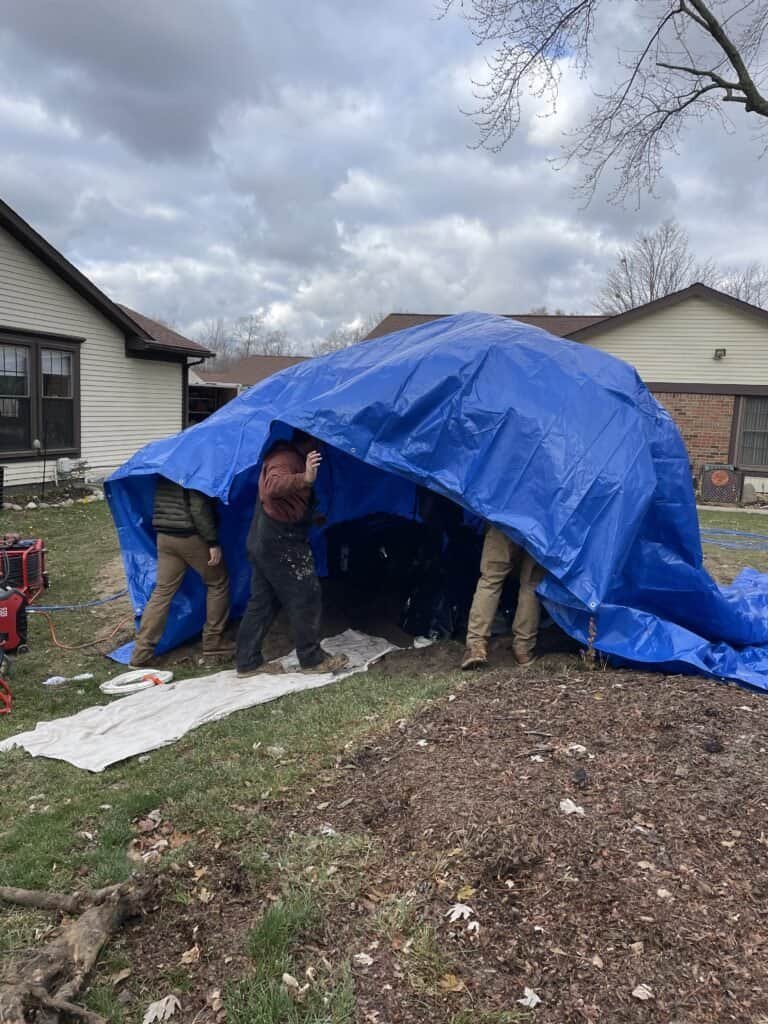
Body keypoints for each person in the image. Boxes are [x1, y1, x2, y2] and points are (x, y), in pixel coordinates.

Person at [236, 430, 348, 677]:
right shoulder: (285, 458)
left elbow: (286, 500)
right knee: (306, 594)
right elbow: (274, 486)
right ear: (312, 442)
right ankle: (312, 659)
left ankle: (247, 662)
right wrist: (305, 478)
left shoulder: (286, 456)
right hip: (280, 541)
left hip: (264, 538)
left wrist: (310, 515)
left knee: (262, 602)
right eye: (320, 445)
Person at [132, 477, 233, 667]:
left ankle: (141, 653)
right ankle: (213, 642)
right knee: (218, 582)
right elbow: (198, 508)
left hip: (165, 536)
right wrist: (212, 542)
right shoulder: (194, 471)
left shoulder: (167, 469)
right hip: (190, 536)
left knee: (162, 592)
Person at [461, 525, 544, 670]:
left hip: (504, 518)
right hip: (541, 526)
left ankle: (476, 646)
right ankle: (523, 649)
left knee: (490, 580)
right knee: (531, 585)